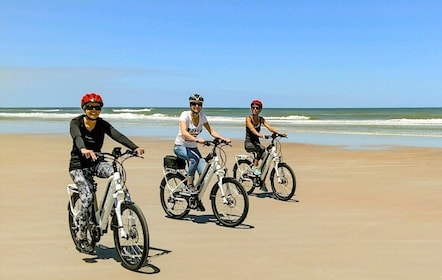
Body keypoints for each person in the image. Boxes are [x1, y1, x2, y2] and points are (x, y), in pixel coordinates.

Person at [69, 92, 144, 254]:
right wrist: (83, 149)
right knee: (87, 197)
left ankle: (116, 205)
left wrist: (134, 147)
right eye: (89, 107)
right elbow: (76, 137)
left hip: (96, 163)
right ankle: (82, 235)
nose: (93, 110)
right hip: (78, 167)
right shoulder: (76, 123)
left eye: (97, 107)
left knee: (116, 175)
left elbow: (117, 135)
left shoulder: (102, 124)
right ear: (84, 108)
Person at [173, 94, 230, 201]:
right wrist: (197, 139)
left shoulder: (202, 117)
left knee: (204, 173)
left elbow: (211, 131)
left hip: (193, 148)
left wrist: (223, 138)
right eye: (194, 104)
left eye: (199, 104)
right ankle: (189, 185)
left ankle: (194, 199)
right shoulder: (184, 115)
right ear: (190, 105)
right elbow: (184, 132)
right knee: (194, 160)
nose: (197, 106)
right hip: (180, 146)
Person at [244, 99, 286, 178]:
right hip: (249, 143)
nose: (255, 109)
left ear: (260, 109)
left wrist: (278, 133)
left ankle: (260, 180)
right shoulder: (248, 119)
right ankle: (254, 167)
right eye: (253, 107)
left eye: (257, 108)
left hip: (256, 143)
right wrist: (259, 135)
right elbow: (252, 129)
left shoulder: (261, 119)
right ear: (251, 108)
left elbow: (269, 127)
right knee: (262, 149)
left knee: (266, 160)